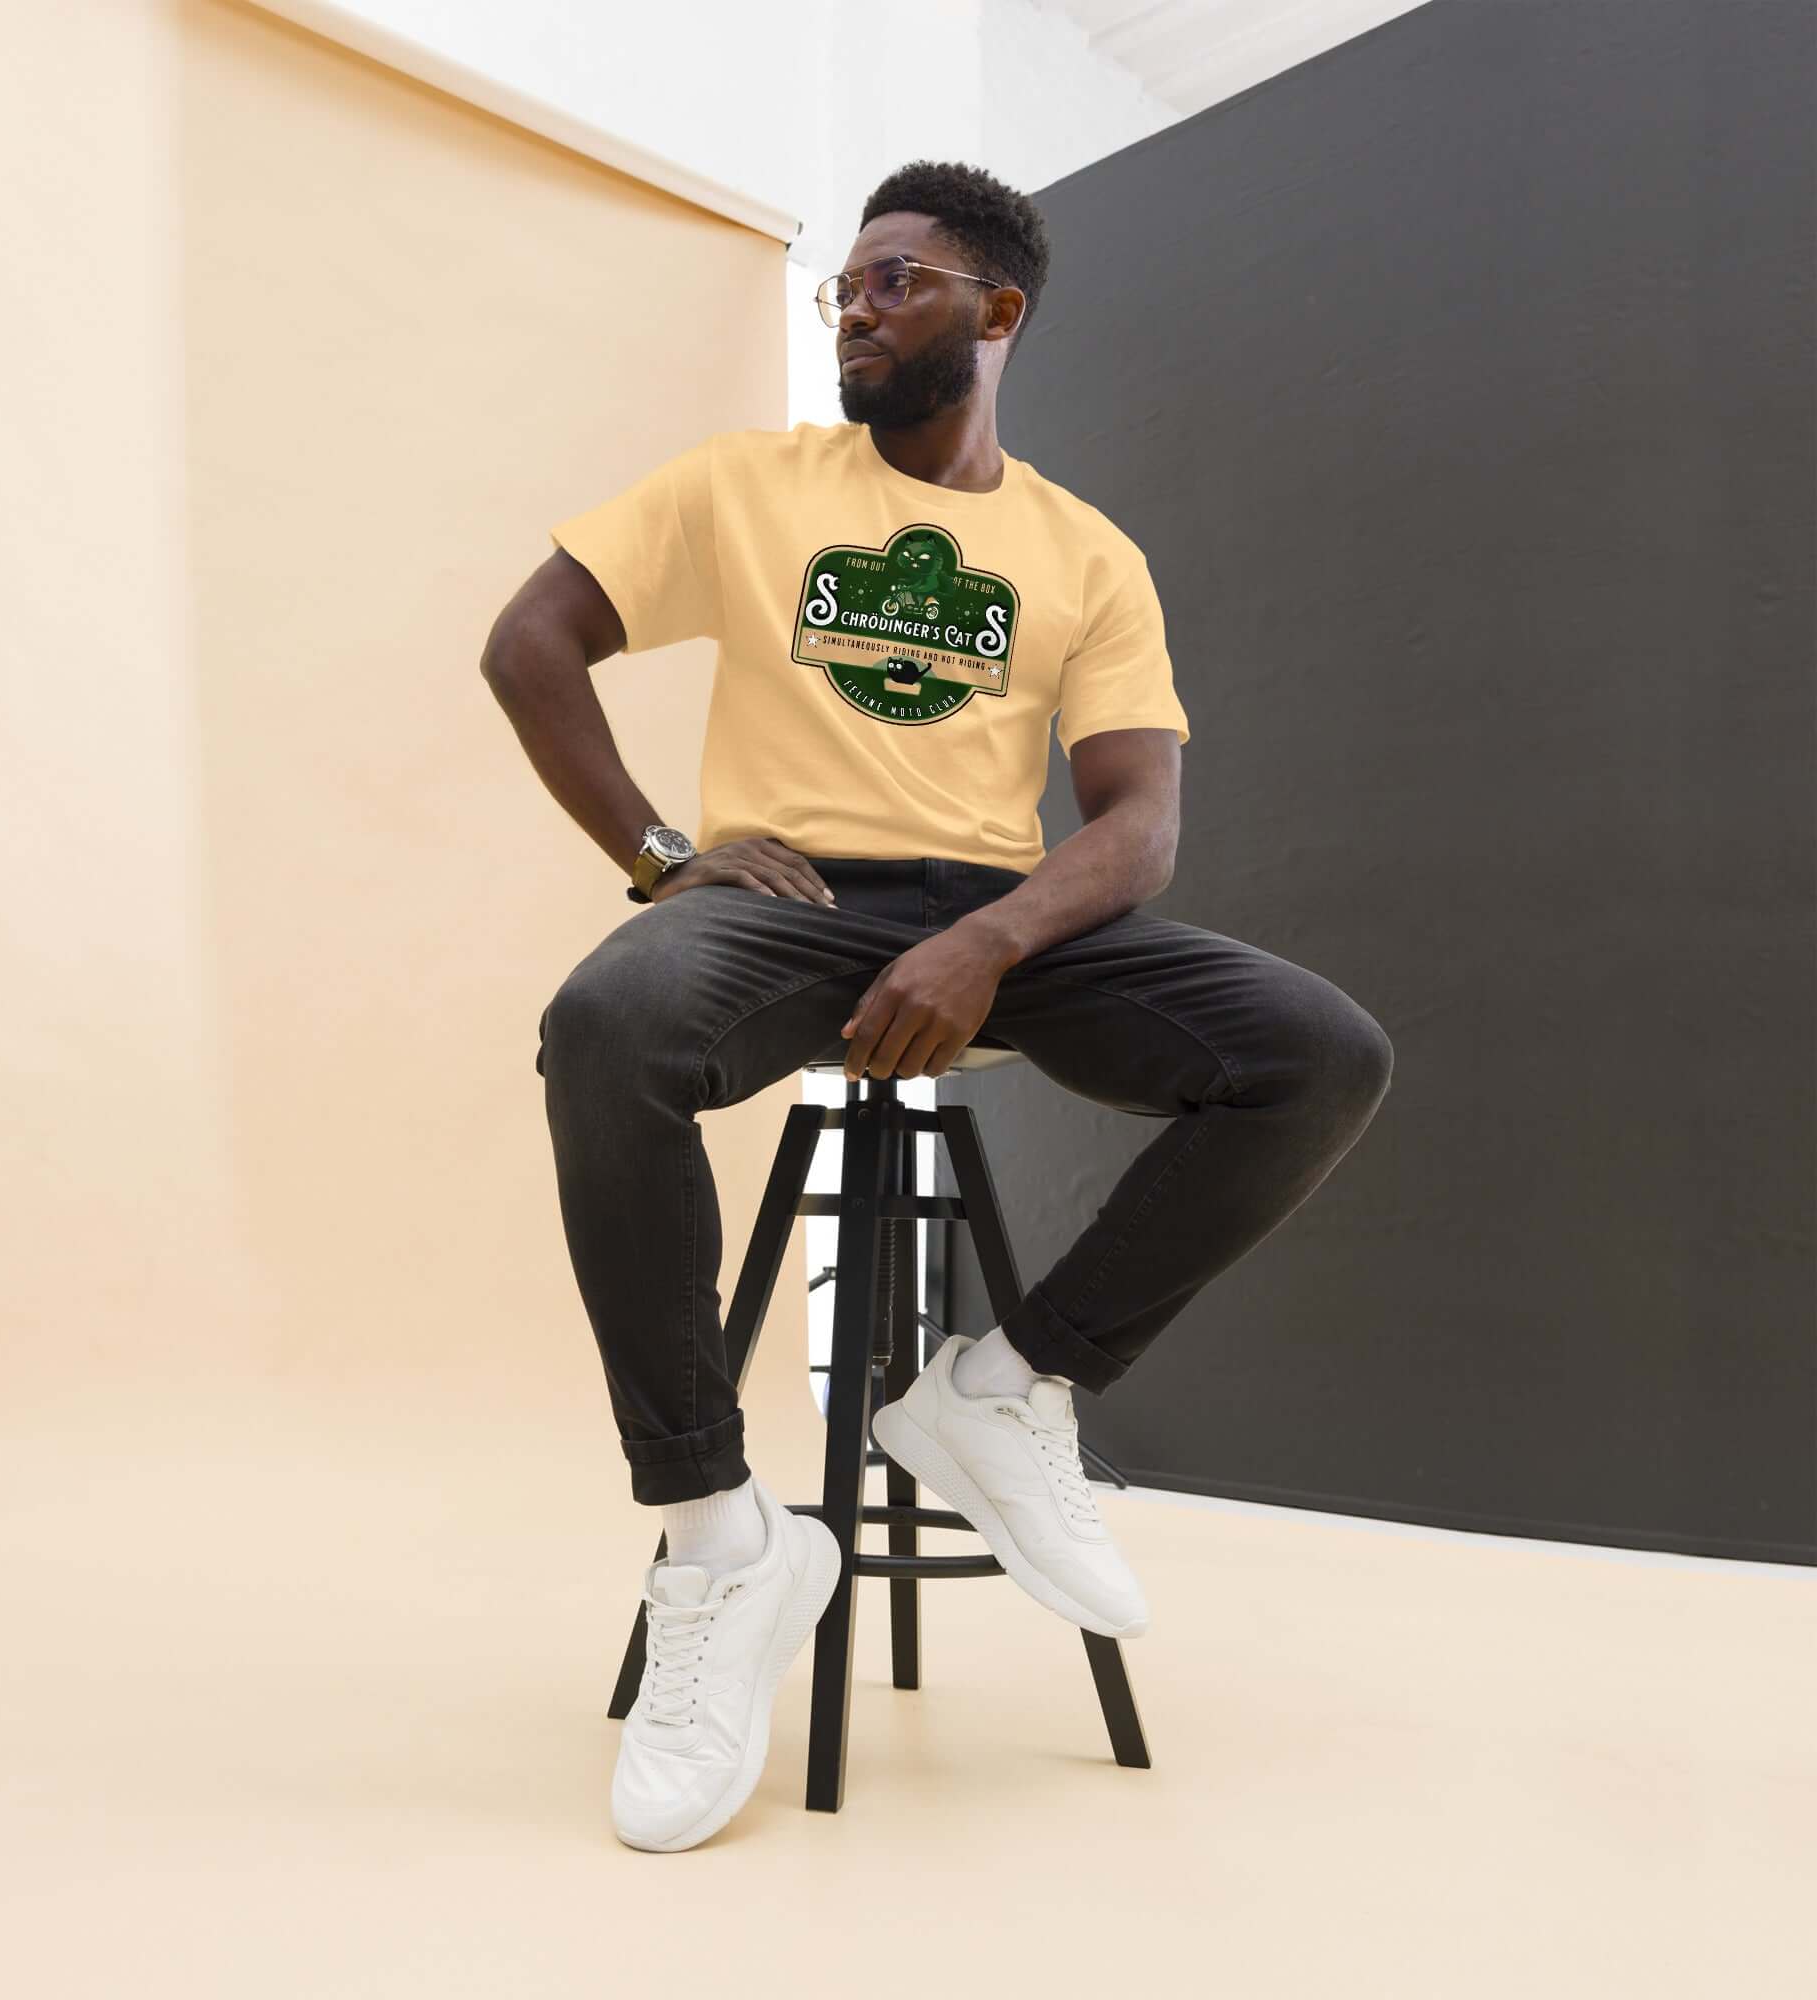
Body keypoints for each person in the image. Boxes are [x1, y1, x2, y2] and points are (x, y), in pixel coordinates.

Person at [482, 160, 1394, 1852]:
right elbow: (530, 641)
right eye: (844, 283)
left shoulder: (1081, 552)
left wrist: (989, 944)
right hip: (791, 906)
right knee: (606, 1029)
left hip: (1002, 914)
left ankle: (1002, 1388)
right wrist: (667, 853)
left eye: (895, 281)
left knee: (1319, 1053)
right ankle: (720, 1541)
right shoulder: (745, 487)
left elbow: (1137, 824)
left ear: (997, 311)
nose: (855, 304)